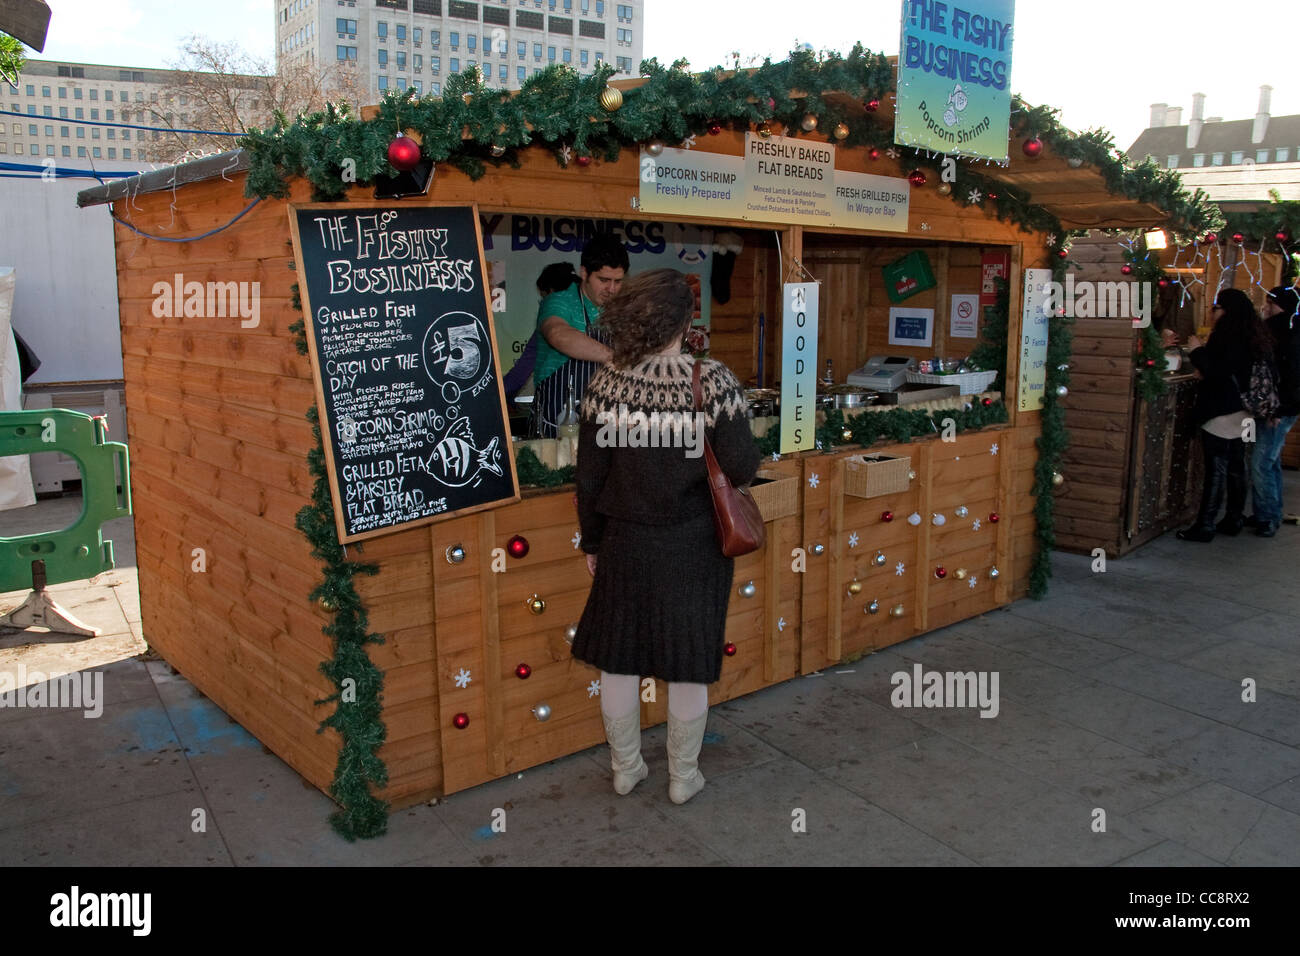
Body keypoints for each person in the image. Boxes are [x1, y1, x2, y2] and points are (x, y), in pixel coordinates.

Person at [571, 269, 761, 804]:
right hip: (695, 543)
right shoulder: (714, 381)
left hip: (625, 541)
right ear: (684, 321)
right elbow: (742, 466)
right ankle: (682, 777)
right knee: (688, 661)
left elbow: (589, 477)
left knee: (618, 658)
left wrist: (593, 543)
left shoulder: (607, 382)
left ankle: (626, 769)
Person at [1177, 288, 1275, 542]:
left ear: (1226, 311)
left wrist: (1197, 350)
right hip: (1244, 412)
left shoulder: (1226, 337)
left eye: (1216, 308)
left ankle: (1205, 525)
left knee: (1216, 468)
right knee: (1235, 465)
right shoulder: (1253, 335)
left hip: (1221, 410)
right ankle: (1233, 518)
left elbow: (1216, 370)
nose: (1213, 312)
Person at [530, 234, 628, 437]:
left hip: (604, 426)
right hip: (556, 424)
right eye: (604, 280)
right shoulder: (560, 302)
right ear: (584, 273)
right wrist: (616, 358)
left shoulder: (621, 311)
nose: (611, 289)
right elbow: (558, 334)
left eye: (618, 281)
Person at [1246, 285, 1300, 536]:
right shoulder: (1289, 329)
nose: (1265, 306)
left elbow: (1288, 376)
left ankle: (1267, 518)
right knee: (1271, 461)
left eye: (1270, 302)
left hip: (1277, 410)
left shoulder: (1279, 333)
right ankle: (1270, 513)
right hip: (1283, 408)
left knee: (1261, 463)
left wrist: (1278, 410)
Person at [502, 262, 579, 403]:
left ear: (551, 293)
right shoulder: (598, 313)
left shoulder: (549, 325)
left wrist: (495, 396)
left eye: (544, 298)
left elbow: (521, 371)